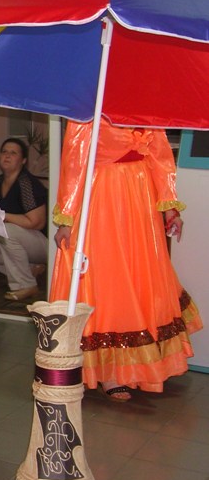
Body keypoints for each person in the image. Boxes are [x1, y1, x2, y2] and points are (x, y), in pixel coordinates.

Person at [49, 118, 202, 401]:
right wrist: (67, 217)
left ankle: (137, 367)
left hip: (140, 199)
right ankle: (109, 371)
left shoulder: (145, 107)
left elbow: (161, 157)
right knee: (109, 278)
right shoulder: (90, 105)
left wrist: (170, 208)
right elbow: (74, 162)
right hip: (101, 198)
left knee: (141, 276)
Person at [0, 138, 47, 301]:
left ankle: (25, 285)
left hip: (43, 244)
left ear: (23, 160)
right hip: (19, 241)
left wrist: (4, 216)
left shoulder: (27, 184)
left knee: (7, 232)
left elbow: (37, 222)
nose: (7, 156)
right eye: (4, 152)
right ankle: (30, 270)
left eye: (13, 153)